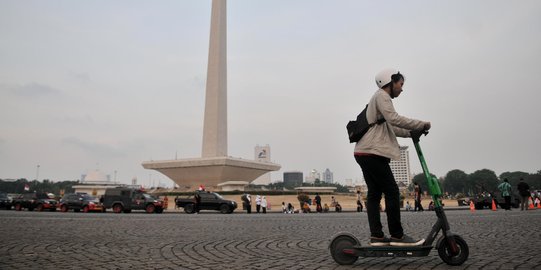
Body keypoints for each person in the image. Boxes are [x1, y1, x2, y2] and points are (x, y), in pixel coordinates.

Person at [354, 69, 430, 247]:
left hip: (364, 152)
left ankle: (377, 236)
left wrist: (412, 132)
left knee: (374, 194)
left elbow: (392, 128)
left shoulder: (378, 100)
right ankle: (397, 235)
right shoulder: (382, 96)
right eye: (400, 84)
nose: (402, 89)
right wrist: (421, 123)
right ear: (390, 82)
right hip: (372, 152)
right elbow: (394, 119)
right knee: (392, 191)